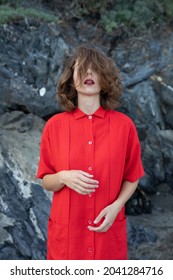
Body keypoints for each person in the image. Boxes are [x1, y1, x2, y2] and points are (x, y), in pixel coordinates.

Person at [36, 45, 144, 260]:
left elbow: (132, 176)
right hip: (67, 239)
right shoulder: (54, 126)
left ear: (105, 78)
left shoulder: (124, 126)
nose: (89, 74)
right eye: (82, 68)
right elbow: (46, 181)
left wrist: (116, 207)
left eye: (95, 69)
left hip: (107, 235)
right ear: (71, 78)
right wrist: (64, 176)